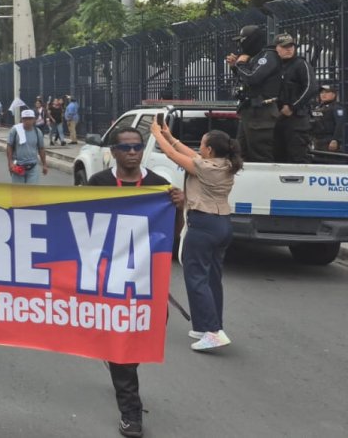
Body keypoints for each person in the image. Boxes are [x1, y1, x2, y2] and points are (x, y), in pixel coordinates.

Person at [85, 127, 187, 438]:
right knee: (124, 348)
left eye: (137, 147)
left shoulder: (158, 186)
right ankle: (131, 413)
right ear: (113, 152)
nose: (132, 152)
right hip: (109, 280)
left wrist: (179, 207)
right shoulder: (98, 183)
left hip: (148, 283)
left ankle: (121, 365)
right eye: (125, 147)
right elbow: (82, 226)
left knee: (141, 340)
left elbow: (172, 233)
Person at [150, 120, 242, 353]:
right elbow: (188, 154)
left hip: (203, 225)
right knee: (212, 278)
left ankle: (212, 331)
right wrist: (169, 136)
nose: (199, 148)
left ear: (209, 150)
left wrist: (156, 136)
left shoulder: (206, 168)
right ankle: (209, 326)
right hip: (222, 225)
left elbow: (172, 155)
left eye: (202, 144)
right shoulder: (224, 163)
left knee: (196, 277)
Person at [227, 24, 282, 162]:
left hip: (262, 112)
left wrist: (240, 64)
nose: (240, 44)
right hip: (249, 111)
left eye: (242, 40)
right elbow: (245, 80)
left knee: (260, 155)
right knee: (241, 152)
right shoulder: (254, 57)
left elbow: (253, 78)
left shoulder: (268, 55)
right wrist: (235, 67)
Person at [273, 33, 317, 164]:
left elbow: (311, 87)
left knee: (298, 158)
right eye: (284, 46)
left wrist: (292, 106)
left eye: (291, 46)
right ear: (276, 48)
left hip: (297, 118)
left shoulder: (300, 64)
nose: (289, 49)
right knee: (278, 158)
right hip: (278, 118)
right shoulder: (275, 66)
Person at [6, 109, 48, 184]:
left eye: (30, 118)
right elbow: (9, 146)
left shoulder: (37, 132)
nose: (27, 121)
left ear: (34, 119)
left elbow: (41, 149)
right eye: (25, 119)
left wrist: (44, 164)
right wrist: (10, 163)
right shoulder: (15, 130)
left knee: (31, 193)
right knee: (19, 193)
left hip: (32, 167)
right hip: (18, 166)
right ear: (22, 119)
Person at [310, 83, 345, 153]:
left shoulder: (337, 108)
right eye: (322, 92)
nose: (323, 94)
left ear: (333, 94)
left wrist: (335, 140)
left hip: (329, 140)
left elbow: (340, 125)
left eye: (327, 92)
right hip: (317, 140)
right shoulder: (317, 108)